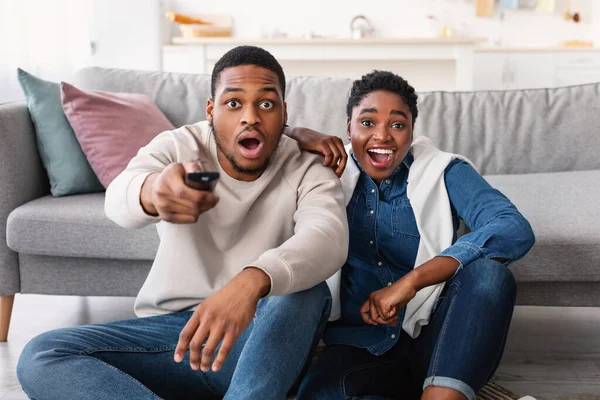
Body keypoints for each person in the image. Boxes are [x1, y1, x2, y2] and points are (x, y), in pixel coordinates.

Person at [16, 45, 349, 400]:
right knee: (42, 354)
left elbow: (327, 237)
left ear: (284, 113)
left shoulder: (308, 167)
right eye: (234, 103)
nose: (249, 117)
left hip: (259, 335)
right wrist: (154, 192)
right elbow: (119, 197)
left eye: (266, 104)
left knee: (305, 293)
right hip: (176, 336)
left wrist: (251, 282)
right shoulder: (178, 146)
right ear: (211, 110)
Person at [294, 70, 536, 400]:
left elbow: (512, 227)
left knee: (489, 274)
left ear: (411, 132)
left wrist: (410, 284)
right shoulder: (323, 171)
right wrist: (294, 131)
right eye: (367, 123)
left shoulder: (443, 171)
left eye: (397, 124)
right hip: (357, 349)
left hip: (440, 341)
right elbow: (247, 134)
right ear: (348, 129)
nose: (382, 136)